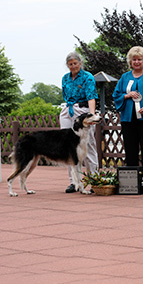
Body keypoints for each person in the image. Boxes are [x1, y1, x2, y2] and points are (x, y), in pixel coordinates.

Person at [113, 46, 143, 170]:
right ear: (130, 61)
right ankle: (132, 183)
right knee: (130, 151)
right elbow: (116, 95)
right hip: (128, 120)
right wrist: (126, 95)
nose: (136, 62)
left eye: (139, 59)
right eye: (134, 59)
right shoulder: (125, 77)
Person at [60, 52, 99, 193]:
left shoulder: (87, 77)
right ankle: (74, 182)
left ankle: (95, 179)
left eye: (75, 63)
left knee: (88, 145)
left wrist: (92, 115)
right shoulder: (65, 78)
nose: (73, 66)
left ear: (80, 63)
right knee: (69, 148)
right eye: (70, 64)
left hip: (83, 110)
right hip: (67, 110)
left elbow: (91, 97)